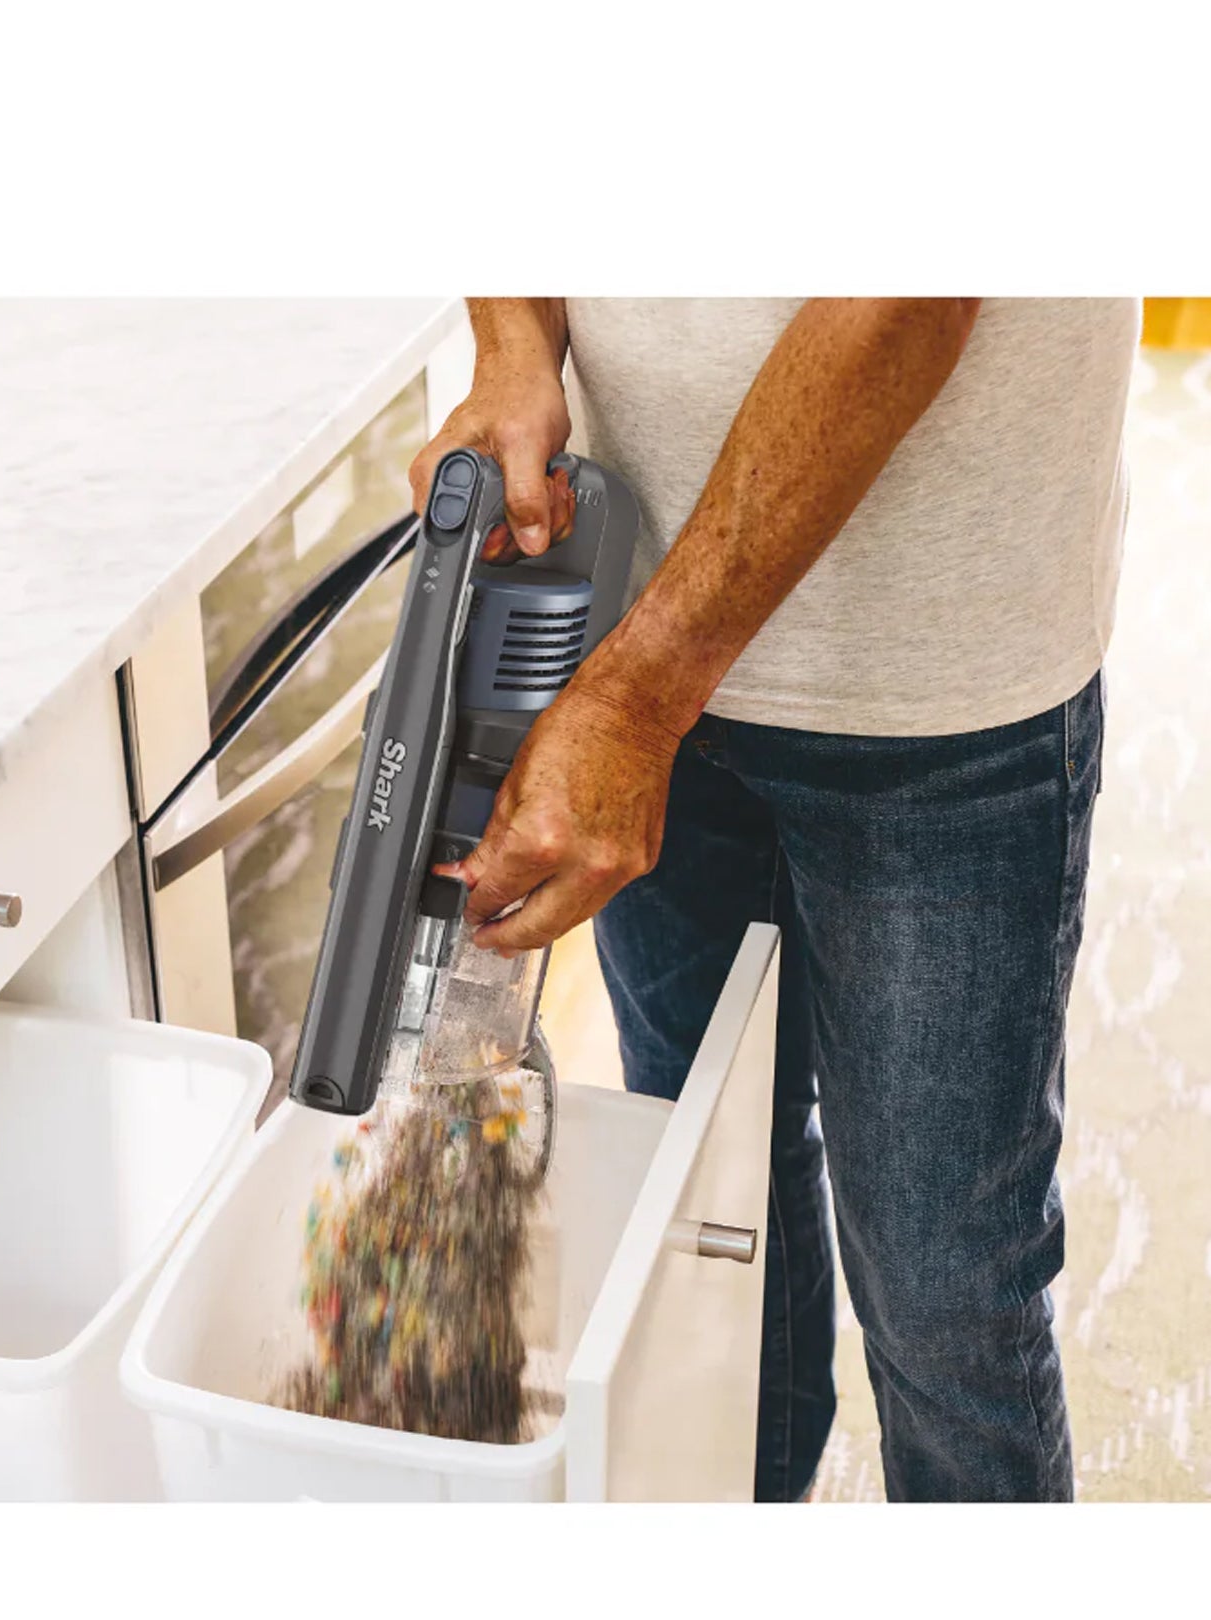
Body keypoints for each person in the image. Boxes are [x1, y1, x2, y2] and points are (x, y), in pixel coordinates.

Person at [412, 298, 1138, 1502]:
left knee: (943, 1291)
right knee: (711, 1201)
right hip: (629, 594)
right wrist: (512, 342)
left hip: (935, 676)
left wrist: (640, 699)